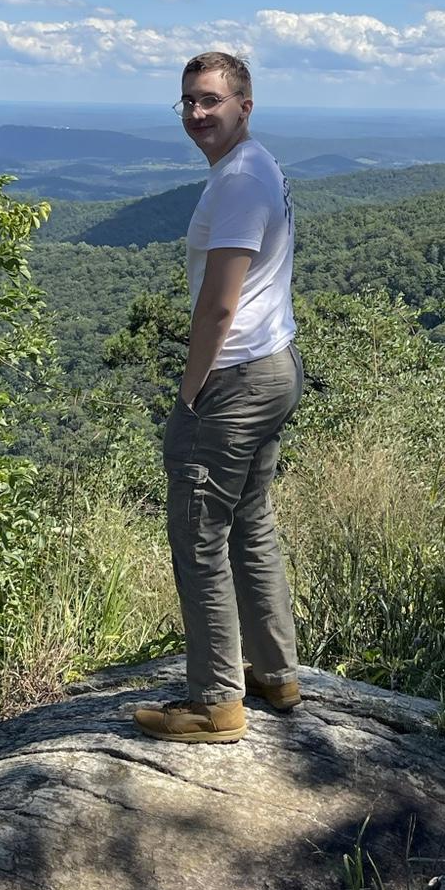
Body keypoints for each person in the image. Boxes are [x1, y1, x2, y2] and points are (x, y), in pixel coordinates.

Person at [133, 52, 305, 745]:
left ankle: (215, 703)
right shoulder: (259, 165)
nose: (198, 114)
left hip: (234, 376)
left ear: (245, 105)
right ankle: (276, 673)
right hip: (276, 365)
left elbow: (218, 305)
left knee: (199, 535)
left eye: (211, 101)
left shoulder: (239, 181)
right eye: (189, 103)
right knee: (250, 522)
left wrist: (189, 390)